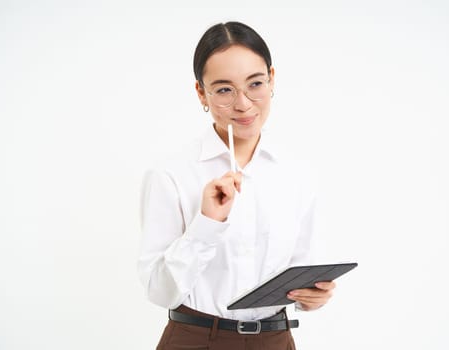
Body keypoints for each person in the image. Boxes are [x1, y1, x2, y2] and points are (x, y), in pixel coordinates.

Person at [138, 21, 336, 350]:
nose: (243, 104)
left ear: (272, 79)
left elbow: (304, 271)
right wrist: (208, 223)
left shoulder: (296, 173)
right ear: (202, 92)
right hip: (195, 339)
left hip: (275, 340)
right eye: (224, 89)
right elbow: (160, 292)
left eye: (255, 84)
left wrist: (314, 296)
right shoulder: (170, 174)